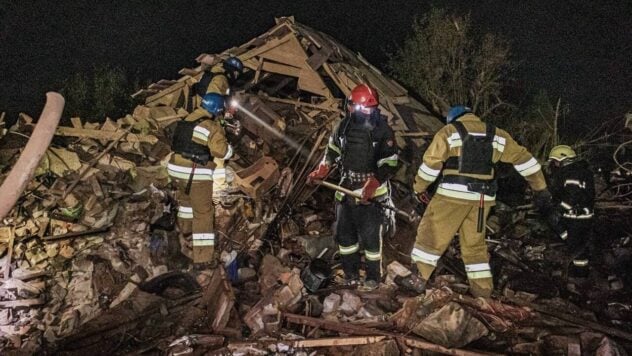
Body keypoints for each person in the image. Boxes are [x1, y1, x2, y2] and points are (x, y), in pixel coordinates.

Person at [410, 105, 551, 297]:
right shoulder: (497, 135)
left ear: (453, 119)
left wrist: (419, 187)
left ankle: (417, 280)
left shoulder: (450, 131)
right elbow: (525, 160)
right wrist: (540, 188)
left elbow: (431, 165)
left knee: (431, 235)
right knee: (475, 247)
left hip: (452, 195)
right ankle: (483, 292)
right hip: (482, 199)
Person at [307, 84, 398, 291]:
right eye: (358, 108)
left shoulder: (383, 131)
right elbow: (331, 152)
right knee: (345, 236)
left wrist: (373, 183)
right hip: (346, 188)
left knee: (371, 239)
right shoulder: (343, 127)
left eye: (369, 108)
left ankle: (373, 276)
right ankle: (351, 274)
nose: (364, 112)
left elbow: (390, 163)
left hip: (372, 195)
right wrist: (321, 171)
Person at [168, 93, 234, 267]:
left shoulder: (186, 121)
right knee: (203, 213)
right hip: (195, 173)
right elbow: (221, 151)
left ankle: (186, 234)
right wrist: (230, 149)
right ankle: (203, 258)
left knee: (186, 204)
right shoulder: (211, 125)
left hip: (175, 170)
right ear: (218, 110)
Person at [547, 145, 595, 278]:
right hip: (581, 217)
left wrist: (559, 210)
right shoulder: (580, 171)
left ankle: (579, 276)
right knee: (577, 245)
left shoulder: (572, 173)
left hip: (577, 218)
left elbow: (572, 196)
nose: (554, 165)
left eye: (555, 161)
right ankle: (579, 272)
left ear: (563, 160)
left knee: (576, 246)